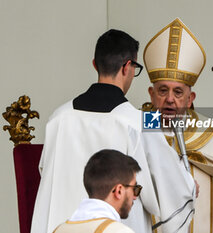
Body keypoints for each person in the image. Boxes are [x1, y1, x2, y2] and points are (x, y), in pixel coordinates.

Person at [31, 29, 195, 233]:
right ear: (128, 67)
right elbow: (170, 186)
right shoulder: (144, 121)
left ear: (95, 64)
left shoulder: (57, 117)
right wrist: (188, 184)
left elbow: (45, 174)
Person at [142, 18, 213, 233]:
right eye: (162, 90)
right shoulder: (137, 130)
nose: (170, 99)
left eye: (178, 92)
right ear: (151, 94)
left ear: (190, 98)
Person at [54, 149, 141, 233]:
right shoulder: (119, 231)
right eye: (135, 189)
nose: (135, 196)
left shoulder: (59, 229)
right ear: (118, 191)